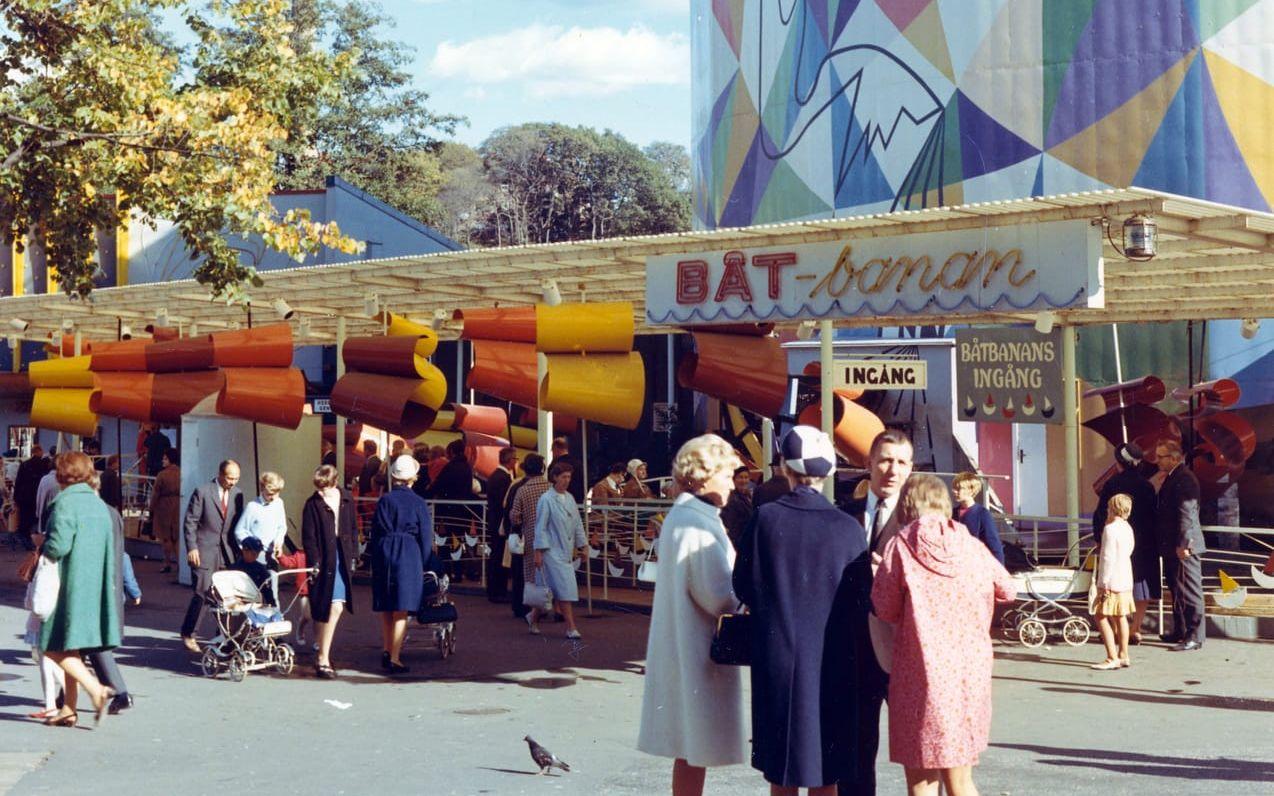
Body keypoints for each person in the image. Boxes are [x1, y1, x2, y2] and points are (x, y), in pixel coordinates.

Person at [733, 426, 866, 795]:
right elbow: (861, 602)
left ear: (785, 468)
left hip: (779, 659)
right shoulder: (848, 529)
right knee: (828, 770)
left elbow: (742, 585)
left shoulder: (765, 519)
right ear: (828, 472)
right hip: (835, 663)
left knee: (783, 767)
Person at [871, 474, 1017, 796]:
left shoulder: (901, 545)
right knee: (960, 781)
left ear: (907, 506)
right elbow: (1007, 589)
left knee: (923, 781)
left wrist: (880, 575)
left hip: (920, 676)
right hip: (969, 676)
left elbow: (884, 609)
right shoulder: (972, 545)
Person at [637, 434, 747, 796]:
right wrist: (744, 597)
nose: (733, 481)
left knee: (689, 749)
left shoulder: (684, 517)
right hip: (696, 650)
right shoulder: (697, 523)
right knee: (693, 744)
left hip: (685, 646)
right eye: (728, 473)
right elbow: (717, 596)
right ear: (705, 475)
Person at [839, 429, 914, 796]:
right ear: (868, 463)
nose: (892, 470)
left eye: (901, 462)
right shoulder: (842, 515)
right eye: (884, 460)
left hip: (902, 652)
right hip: (853, 652)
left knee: (917, 754)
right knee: (855, 751)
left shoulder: (920, 524)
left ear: (911, 469)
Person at [38, 451, 120, 727]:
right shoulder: (99, 505)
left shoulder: (64, 505)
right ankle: (68, 709)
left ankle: (96, 690)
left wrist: (42, 544)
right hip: (93, 585)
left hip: (67, 585)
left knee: (50, 646)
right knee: (72, 646)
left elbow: (58, 547)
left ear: (61, 475)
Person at [370, 455, 435, 675]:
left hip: (384, 548)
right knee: (402, 607)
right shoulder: (417, 502)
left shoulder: (385, 500)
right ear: (412, 478)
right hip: (407, 551)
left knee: (387, 605)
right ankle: (395, 657)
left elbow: (375, 530)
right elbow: (426, 537)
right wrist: (424, 561)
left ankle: (387, 649)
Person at [1092, 442, 1159, 644]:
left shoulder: (1112, 484)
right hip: (1144, 543)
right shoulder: (1147, 486)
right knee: (1141, 586)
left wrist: (1098, 538)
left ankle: (1114, 629)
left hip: (1116, 541)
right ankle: (1135, 628)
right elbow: (1154, 516)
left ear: (1118, 462)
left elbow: (1099, 514)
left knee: (1113, 586)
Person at [180, 460, 244, 652]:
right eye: (230, 478)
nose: (233, 482)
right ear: (220, 474)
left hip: (227, 552)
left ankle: (224, 636)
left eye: (236, 479)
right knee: (203, 591)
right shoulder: (203, 491)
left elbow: (238, 523)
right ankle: (189, 633)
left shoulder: (238, 494)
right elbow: (190, 522)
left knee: (227, 596)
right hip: (203, 550)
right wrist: (192, 548)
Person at [302, 464, 357, 679]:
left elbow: (352, 528)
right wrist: (314, 561)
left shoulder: (346, 499)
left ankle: (322, 654)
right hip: (324, 559)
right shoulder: (312, 504)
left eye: (324, 487)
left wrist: (353, 555)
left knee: (335, 607)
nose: (320, 491)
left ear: (334, 482)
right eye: (318, 486)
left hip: (341, 556)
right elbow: (309, 537)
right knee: (324, 605)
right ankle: (322, 655)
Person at [1154, 439, 1206, 651]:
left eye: (1160, 457)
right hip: (1173, 545)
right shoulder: (1173, 477)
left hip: (1183, 546)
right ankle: (1181, 630)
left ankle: (1194, 635)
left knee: (1190, 591)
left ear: (1174, 458)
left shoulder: (1184, 479)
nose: (1157, 461)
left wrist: (1185, 543)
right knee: (1177, 589)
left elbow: (1187, 513)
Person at [528, 461, 587, 638]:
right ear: (554, 478)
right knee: (564, 588)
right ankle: (571, 627)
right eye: (563, 477)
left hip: (565, 551)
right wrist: (538, 552)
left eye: (569, 477)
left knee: (548, 591)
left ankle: (534, 618)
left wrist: (583, 546)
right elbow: (541, 527)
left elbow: (577, 524)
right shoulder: (546, 499)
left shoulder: (570, 498)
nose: (567, 480)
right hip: (550, 551)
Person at [1093, 493, 1136, 670]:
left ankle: (1111, 657)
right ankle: (1124, 654)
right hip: (1125, 578)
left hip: (1111, 580)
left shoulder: (1110, 529)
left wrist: (1103, 583)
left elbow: (1108, 558)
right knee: (1121, 617)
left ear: (1112, 508)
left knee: (1100, 615)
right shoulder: (1127, 527)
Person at [428, 439, 479, 581]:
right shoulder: (467, 467)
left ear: (451, 452)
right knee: (459, 541)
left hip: (448, 510)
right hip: (463, 510)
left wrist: (429, 493)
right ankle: (459, 572)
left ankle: (448, 572)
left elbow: (438, 485)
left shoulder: (451, 467)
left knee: (446, 543)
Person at [509, 455, 552, 623]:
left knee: (530, 574)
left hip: (531, 537)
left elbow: (515, 516)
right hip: (551, 536)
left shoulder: (522, 490)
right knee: (549, 572)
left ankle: (532, 608)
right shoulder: (551, 488)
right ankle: (549, 606)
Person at [233, 471, 288, 564]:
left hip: (272, 554)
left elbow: (282, 527)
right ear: (262, 490)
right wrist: (252, 547)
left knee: (272, 577)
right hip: (256, 555)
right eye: (270, 494)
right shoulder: (252, 506)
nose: (273, 498)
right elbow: (239, 531)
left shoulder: (279, 503)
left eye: (277, 493)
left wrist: (278, 543)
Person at [951, 472, 1004, 563]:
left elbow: (994, 545)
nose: (954, 491)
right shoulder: (952, 513)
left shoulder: (982, 514)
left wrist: (1000, 571)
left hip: (976, 563)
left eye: (959, 488)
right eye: (954, 488)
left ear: (971, 490)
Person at [485, 447, 516, 603]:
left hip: (494, 521)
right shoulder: (503, 478)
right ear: (509, 461)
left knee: (496, 556)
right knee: (499, 557)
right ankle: (497, 591)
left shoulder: (495, 476)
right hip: (500, 523)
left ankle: (494, 590)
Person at [150, 448, 182, 574]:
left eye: (165, 458)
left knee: (166, 537)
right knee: (176, 537)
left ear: (170, 459)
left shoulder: (162, 474)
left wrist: (151, 508)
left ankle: (167, 563)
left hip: (164, 506)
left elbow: (156, 493)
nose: (163, 461)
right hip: (178, 504)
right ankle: (180, 564)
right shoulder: (181, 473)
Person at [13, 445, 50, 549]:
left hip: (24, 497)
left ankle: (25, 539)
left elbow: (18, 482)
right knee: (35, 519)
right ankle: (34, 541)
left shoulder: (24, 465)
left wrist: (16, 497)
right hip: (35, 496)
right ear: (39, 452)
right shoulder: (43, 465)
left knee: (24, 520)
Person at [718, 465, 753, 548]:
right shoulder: (731, 499)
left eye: (746, 477)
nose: (744, 480)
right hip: (737, 544)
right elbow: (731, 526)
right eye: (740, 477)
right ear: (734, 479)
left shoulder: (747, 496)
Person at [232, 536, 274, 604]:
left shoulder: (261, 569)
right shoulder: (234, 568)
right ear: (244, 550)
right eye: (253, 553)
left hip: (255, 602)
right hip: (238, 603)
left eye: (258, 553)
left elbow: (267, 590)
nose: (256, 556)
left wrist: (272, 605)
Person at [550, 436, 585, 502]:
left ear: (556, 448)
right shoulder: (579, 462)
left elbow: (550, 481)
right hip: (578, 502)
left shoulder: (556, 464)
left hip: (560, 501)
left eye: (552, 450)